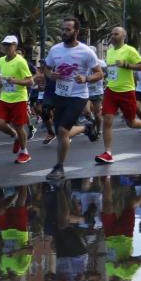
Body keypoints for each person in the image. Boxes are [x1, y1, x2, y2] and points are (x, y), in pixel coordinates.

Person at [43, 17, 104, 181]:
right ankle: (85, 128)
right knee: (61, 132)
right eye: (62, 29)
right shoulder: (55, 50)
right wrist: (51, 75)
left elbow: (99, 73)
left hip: (78, 97)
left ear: (76, 31)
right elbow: (46, 68)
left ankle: (59, 167)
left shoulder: (86, 51)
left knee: (62, 131)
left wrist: (86, 79)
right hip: (60, 95)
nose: (64, 32)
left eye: (68, 29)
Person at [95, 27, 141, 164]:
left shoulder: (130, 50)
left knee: (131, 122)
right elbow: (111, 70)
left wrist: (126, 65)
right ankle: (108, 153)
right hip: (111, 90)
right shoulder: (109, 51)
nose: (112, 35)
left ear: (123, 36)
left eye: (116, 33)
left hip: (126, 91)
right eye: (111, 33)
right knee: (107, 120)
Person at [0, 35, 34, 164]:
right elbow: (3, 78)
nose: (7, 47)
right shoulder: (0, 60)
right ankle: (14, 135)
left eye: (9, 45)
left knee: (19, 126)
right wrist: (0, 84)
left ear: (15, 46)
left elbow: (30, 81)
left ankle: (25, 152)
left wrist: (16, 81)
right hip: (5, 97)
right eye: (5, 45)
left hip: (19, 98)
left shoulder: (21, 61)